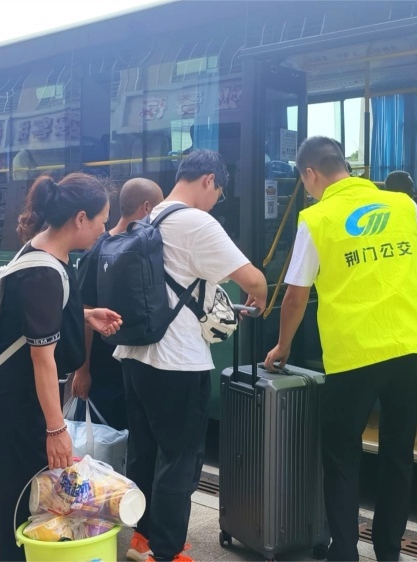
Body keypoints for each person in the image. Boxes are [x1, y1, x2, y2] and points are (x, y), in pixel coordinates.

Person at [263, 137, 417, 562]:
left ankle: (345, 553)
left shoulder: (316, 218)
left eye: (305, 182)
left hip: (354, 353)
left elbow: (295, 296)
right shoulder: (401, 205)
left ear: (310, 174)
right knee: (398, 455)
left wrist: (283, 346)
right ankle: (388, 553)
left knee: (341, 457)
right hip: (412, 348)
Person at [114, 150, 268, 562]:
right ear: (209, 180)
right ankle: (166, 552)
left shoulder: (146, 218)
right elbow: (252, 278)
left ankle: (142, 538)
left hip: (134, 355)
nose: (216, 200)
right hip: (177, 361)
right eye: (219, 191)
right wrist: (262, 295)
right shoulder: (197, 222)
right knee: (179, 459)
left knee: (144, 452)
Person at [0, 172, 123, 561]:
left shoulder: (44, 253)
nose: (103, 230)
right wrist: (56, 430)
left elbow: (36, 319)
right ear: (80, 218)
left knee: (34, 503)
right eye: (102, 220)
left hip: (19, 398)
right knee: (25, 507)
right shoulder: (42, 272)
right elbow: (42, 359)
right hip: (17, 405)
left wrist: (84, 315)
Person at [72, 177, 165, 430]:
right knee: (103, 437)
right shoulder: (97, 251)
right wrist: (82, 370)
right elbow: (85, 313)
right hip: (102, 369)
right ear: (147, 208)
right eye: (158, 210)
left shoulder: (145, 249)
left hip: (132, 367)